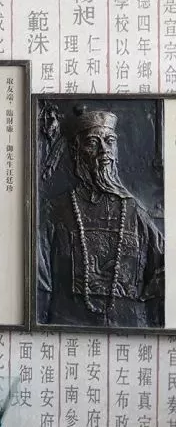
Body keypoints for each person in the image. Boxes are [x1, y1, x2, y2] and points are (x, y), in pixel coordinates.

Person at [38, 107, 164, 328]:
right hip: (68, 325)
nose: (104, 150)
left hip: (131, 327)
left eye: (109, 141)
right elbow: (39, 283)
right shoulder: (55, 211)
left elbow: (164, 268)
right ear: (77, 151)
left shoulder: (135, 213)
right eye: (92, 143)